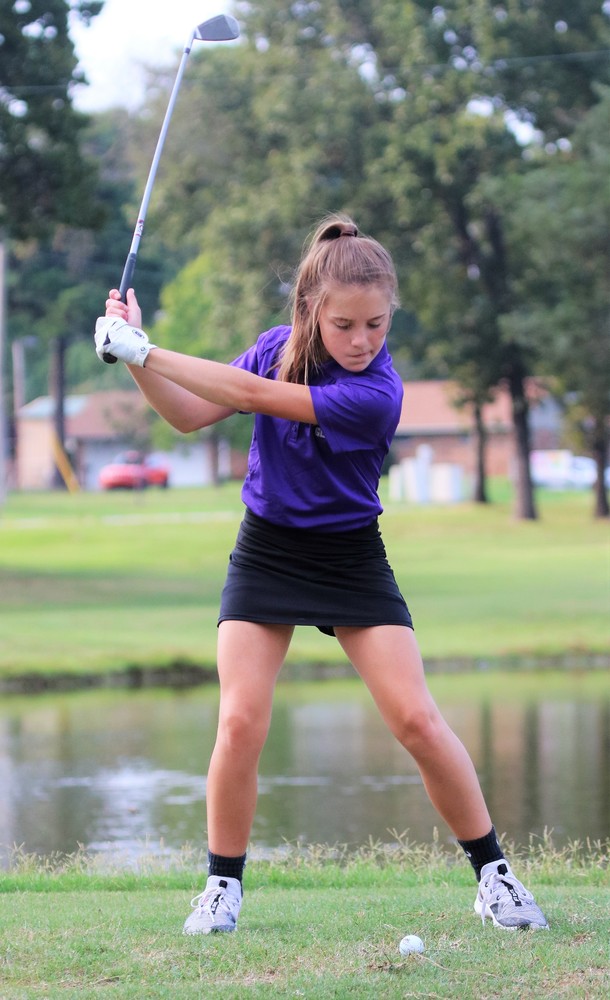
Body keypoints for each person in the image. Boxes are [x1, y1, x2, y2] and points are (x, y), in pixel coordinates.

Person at [95, 214, 549, 936]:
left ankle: (494, 875)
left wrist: (146, 348)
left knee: (417, 720)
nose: (363, 340)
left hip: (349, 556)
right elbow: (187, 415)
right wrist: (137, 361)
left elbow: (250, 399)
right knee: (241, 719)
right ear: (311, 309)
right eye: (345, 325)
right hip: (268, 549)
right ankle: (221, 888)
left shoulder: (377, 396)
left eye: (376, 323)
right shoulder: (275, 348)